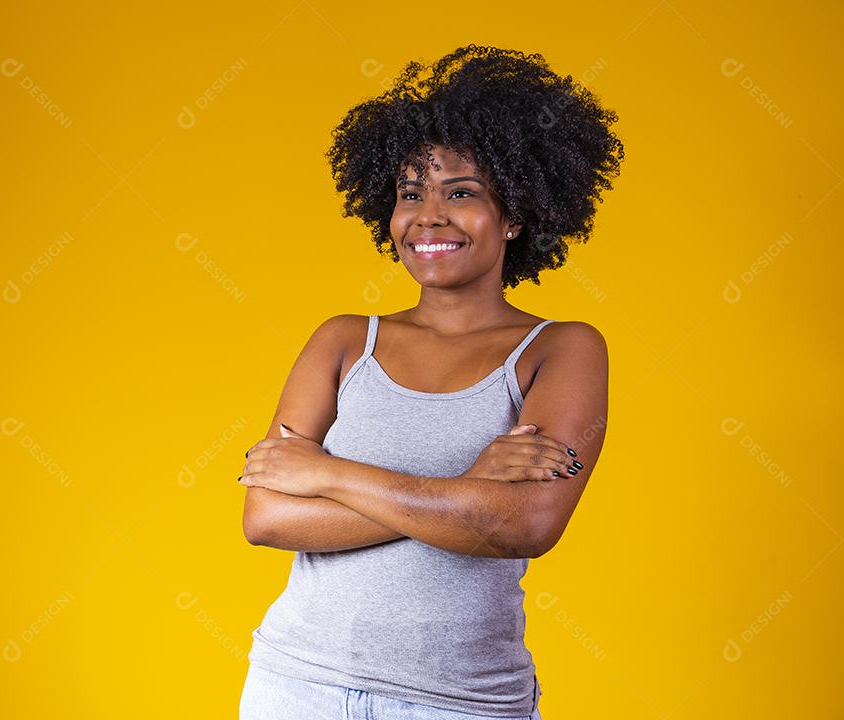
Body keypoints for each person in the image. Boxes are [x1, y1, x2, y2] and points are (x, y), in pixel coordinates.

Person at [238, 44, 622, 720]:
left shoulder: (562, 350)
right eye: (410, 193)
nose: (429, 216)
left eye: (462, 193)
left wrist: (325, 474)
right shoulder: (343, 340)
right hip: (296, 685)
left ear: (514, 215)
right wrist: (467, 492)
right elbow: (267, 517)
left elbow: (525, 524)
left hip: (461, 702)